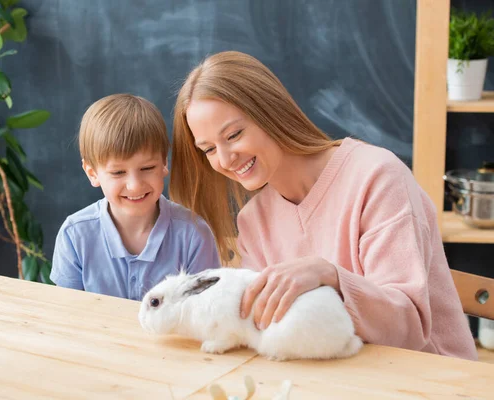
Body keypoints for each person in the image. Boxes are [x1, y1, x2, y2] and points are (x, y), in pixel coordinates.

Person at [169, 51, 477, 360]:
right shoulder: (254, 222)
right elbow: (265, 327)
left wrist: (328, 273)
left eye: (234, 135)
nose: (224, 160)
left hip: (431, 377)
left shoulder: (377, 176)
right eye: (208, 149)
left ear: (270, 111)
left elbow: (407, 328)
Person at [51, 94, 220, 301]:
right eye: (118, 173)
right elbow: (67, 312)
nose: (135, 185)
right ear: (92, 173)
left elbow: (204, 312)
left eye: (147, 168)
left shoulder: (193, 233)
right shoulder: (74, 236)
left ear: (164, 163)